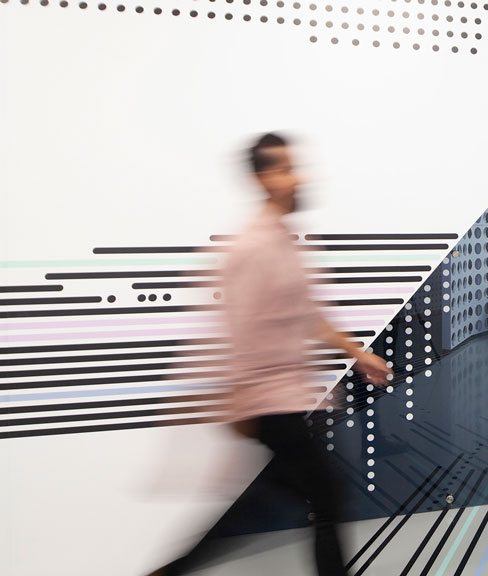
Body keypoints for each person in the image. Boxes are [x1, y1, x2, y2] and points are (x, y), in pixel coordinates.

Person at [150, 132, 392, 576]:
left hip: (285, 397)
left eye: (294, 166)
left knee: (264, 501)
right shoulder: (251, 249)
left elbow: (305, 315)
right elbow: (237, 331)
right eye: (283, 168)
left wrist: (357, 353)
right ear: (262, 178)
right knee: (326, 497)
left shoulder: (283, 241)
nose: (297, 177)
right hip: (267, 401)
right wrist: (242, 403)